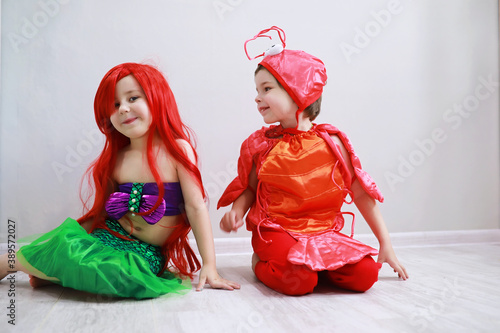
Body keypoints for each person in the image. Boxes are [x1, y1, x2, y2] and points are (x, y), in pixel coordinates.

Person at [0, 62, 240, 299]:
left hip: (145, 251)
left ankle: (49, 269)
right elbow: (102, 215)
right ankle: (14, 262)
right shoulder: (117, 160)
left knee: (124, 276)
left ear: (158, 98)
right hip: (110, 236)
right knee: (67, 246)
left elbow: (196, 207)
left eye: (133, 98)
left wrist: (209, 265)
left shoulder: (177, 150)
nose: (123, 108)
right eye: (114, 105)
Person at [218, 27, 408, 296]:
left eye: (267, 88)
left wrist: (385, 243)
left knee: (365, 276)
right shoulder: (260, 144)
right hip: (278, 229)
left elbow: (360, 192)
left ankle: (316, 267)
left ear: (299, 90)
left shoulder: (333, 142)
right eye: (257, 89)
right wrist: (236, 212)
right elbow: (250, 189)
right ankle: (261, 263)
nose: (257, 97)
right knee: (300, 281)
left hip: (322, 230)